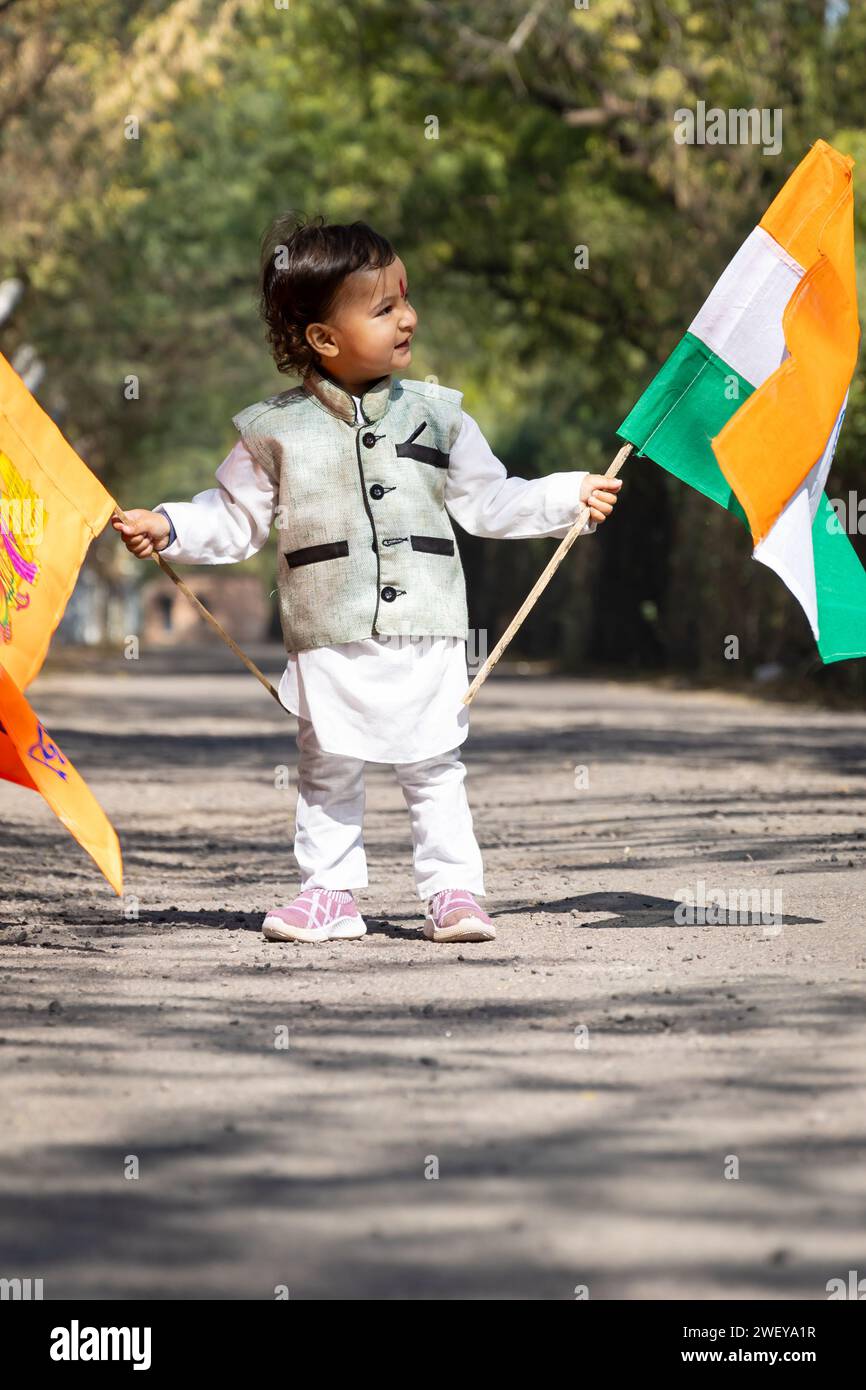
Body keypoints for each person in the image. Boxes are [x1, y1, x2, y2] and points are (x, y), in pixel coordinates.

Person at [113, 216, 622, 945]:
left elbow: (489, 499)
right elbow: (233, 520)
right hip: (327, 632)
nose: (408, 317)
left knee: (433, 765)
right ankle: (329, 894)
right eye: (384, 308)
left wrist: (568, 496)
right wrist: (168, 526)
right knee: (328, 767)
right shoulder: (271, 432)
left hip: (429, 625)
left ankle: (453, 891)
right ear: (324, 338)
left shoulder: (441, 418)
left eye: (406, 299)